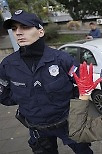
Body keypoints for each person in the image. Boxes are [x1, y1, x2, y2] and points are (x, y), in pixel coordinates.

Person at [0, 10, 93, 154]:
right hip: (37, 128)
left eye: (24, 27)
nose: (18, 32)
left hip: (67, 123)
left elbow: (82, 85)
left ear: (41, 32)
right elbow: (4, 96)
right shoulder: (7, 65)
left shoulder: (62, 59)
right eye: (14, 28)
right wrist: (24, 97)